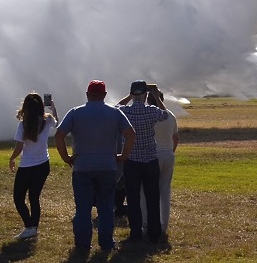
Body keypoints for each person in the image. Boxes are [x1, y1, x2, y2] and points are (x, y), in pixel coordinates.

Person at [55, 80, 135, 253]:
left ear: (87, 95)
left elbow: (59, 135)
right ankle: (106, 243)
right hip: (107, 166)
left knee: (83, 208)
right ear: (104, 95)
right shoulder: (115, 113)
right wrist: (123, 156)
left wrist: (66, 157)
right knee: (106, 207)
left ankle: (83, 244)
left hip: (82, 167)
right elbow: (130, 134)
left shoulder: (75, 112)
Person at [117, 80, 171, 244]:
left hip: (132, 160)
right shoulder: (152, 111)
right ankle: (154, 233)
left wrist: (130, 95)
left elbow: (116, 106)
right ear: (146, 95)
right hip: (150, 160)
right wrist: (155, 95)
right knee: (152, 197)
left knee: (133, 199)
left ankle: (136, 232)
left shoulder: (125, 112)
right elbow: (165, 114)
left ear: (133, 95)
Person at [8, 92, 58, 240]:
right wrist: (53, 108)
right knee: (34, 198)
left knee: (18, 198)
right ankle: (32, 227)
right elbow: (57, 123)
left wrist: (11, 159)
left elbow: (18, 148)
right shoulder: (47, 120)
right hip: (43, 165)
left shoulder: (23, 125)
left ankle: (30, 226)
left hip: (27, 166)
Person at [143, 85, 179, 236]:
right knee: (164, 191)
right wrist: (170, 152)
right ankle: (163, 226)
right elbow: (175, 138)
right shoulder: (170, 115)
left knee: (145, 192)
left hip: (151, 155)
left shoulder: (147, 114)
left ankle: (145, 225)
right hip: (167, 154)